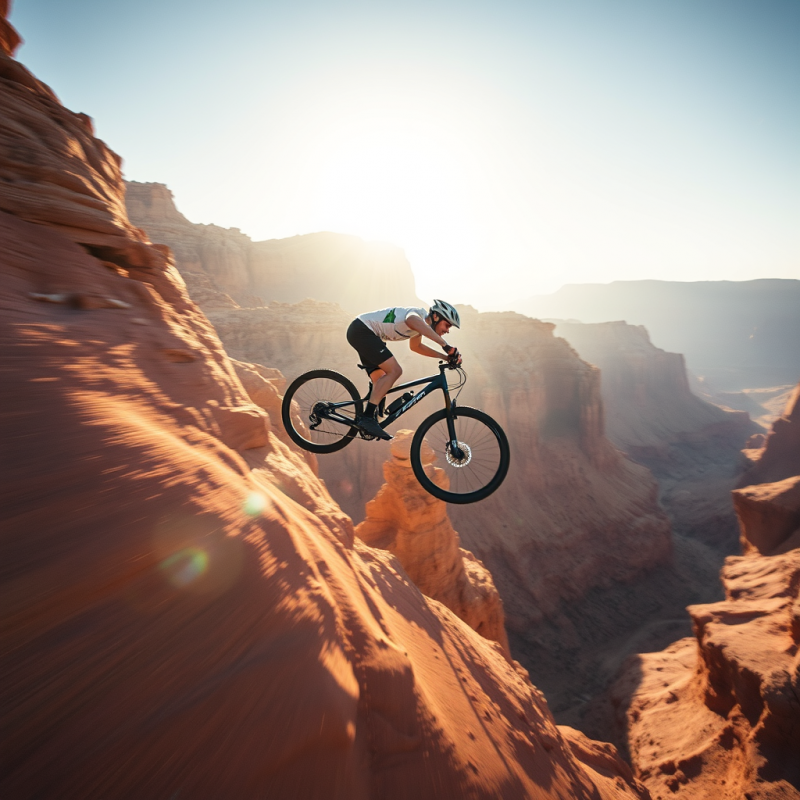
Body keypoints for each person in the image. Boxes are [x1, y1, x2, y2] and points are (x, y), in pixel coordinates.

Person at [346, 300, 462, 440]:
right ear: (436, 317)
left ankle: (369, 417)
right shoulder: (417, 315)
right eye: (447, 325)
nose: (447, 330)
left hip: (367, 334)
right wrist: (445, 345)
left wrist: (445, 357)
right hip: (363, 331)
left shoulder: (420, 327)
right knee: (395, 371)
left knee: (382, 381)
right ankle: (367, 418)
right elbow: (410, 319)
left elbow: (416, 347)